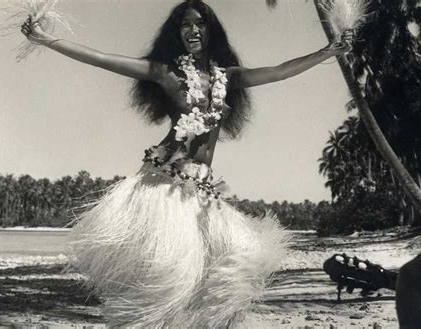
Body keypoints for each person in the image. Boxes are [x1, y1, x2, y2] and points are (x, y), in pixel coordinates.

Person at [21, 0, 353, 327]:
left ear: (211, 31)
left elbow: (279, 71)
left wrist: (326, 53)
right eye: (185, 25)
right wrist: (45, 39)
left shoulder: (227, 77)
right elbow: (102, 59)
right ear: (176, 32)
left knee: (225, 274)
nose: (192, 30)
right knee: (167, 278)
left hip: (202, 189)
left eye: (199, 23)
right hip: (164, 186)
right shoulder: (167, 73)